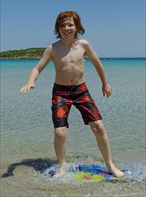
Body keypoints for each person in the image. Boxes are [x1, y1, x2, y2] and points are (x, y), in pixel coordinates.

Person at [20, 11, 124, 178]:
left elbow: (97, 63)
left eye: (70, 24)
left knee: (99, 126)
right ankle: (62, 166)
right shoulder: (53, 48)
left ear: (77, 27)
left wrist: (105, 83)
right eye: (63, 25)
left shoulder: (84, 45)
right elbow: (37, 68)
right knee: (60, 132)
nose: (66, 28)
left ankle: (110, 164)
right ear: (58, 29)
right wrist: (31, 81)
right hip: (61, 93)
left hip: (81, 90)